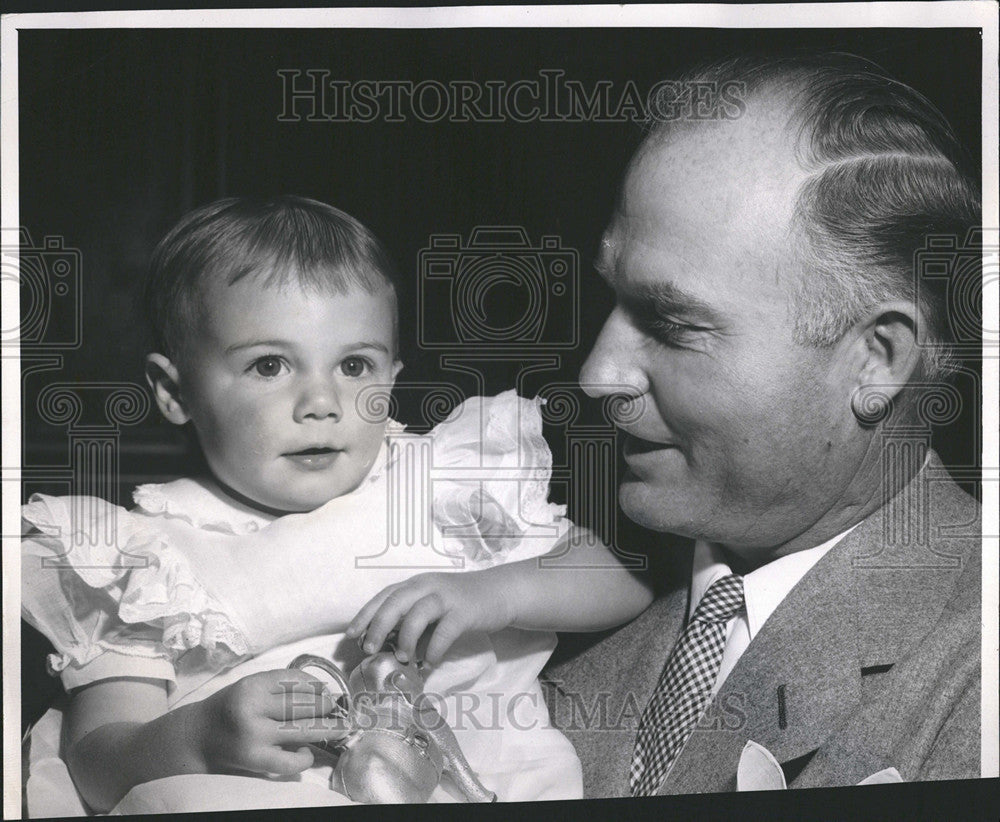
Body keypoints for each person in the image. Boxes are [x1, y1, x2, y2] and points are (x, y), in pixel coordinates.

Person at [354, 52, 983, 796]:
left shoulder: (979, 669)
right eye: (613, 302)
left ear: (875, 359)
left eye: (673, 323)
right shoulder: (523, 559)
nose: (596, 375)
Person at [20, 196, 654, 816]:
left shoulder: (440, 487)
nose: (320, 401)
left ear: (394, 379)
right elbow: (96, 763)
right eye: (270, 365)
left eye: (354, 365)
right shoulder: (144, 558)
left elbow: (628, 577)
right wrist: (196, 738)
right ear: (174, 390)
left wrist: (496, 592)